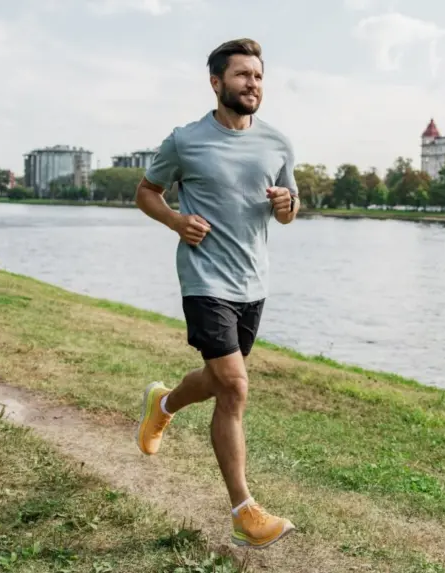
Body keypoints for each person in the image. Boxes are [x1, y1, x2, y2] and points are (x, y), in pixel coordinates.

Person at [134, 38, 299, 550]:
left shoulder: (277, 143)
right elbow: (146, 192)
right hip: (205, 280)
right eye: (243, 75)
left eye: (258, 76)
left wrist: (286, 202)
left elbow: (290, 211)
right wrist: (177, 221)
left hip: (253, 282)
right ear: (216, 83)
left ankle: (163, 404)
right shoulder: (186, 140)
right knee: (234, 388)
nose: (253, 84)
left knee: (217, 379)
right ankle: (243, 510)